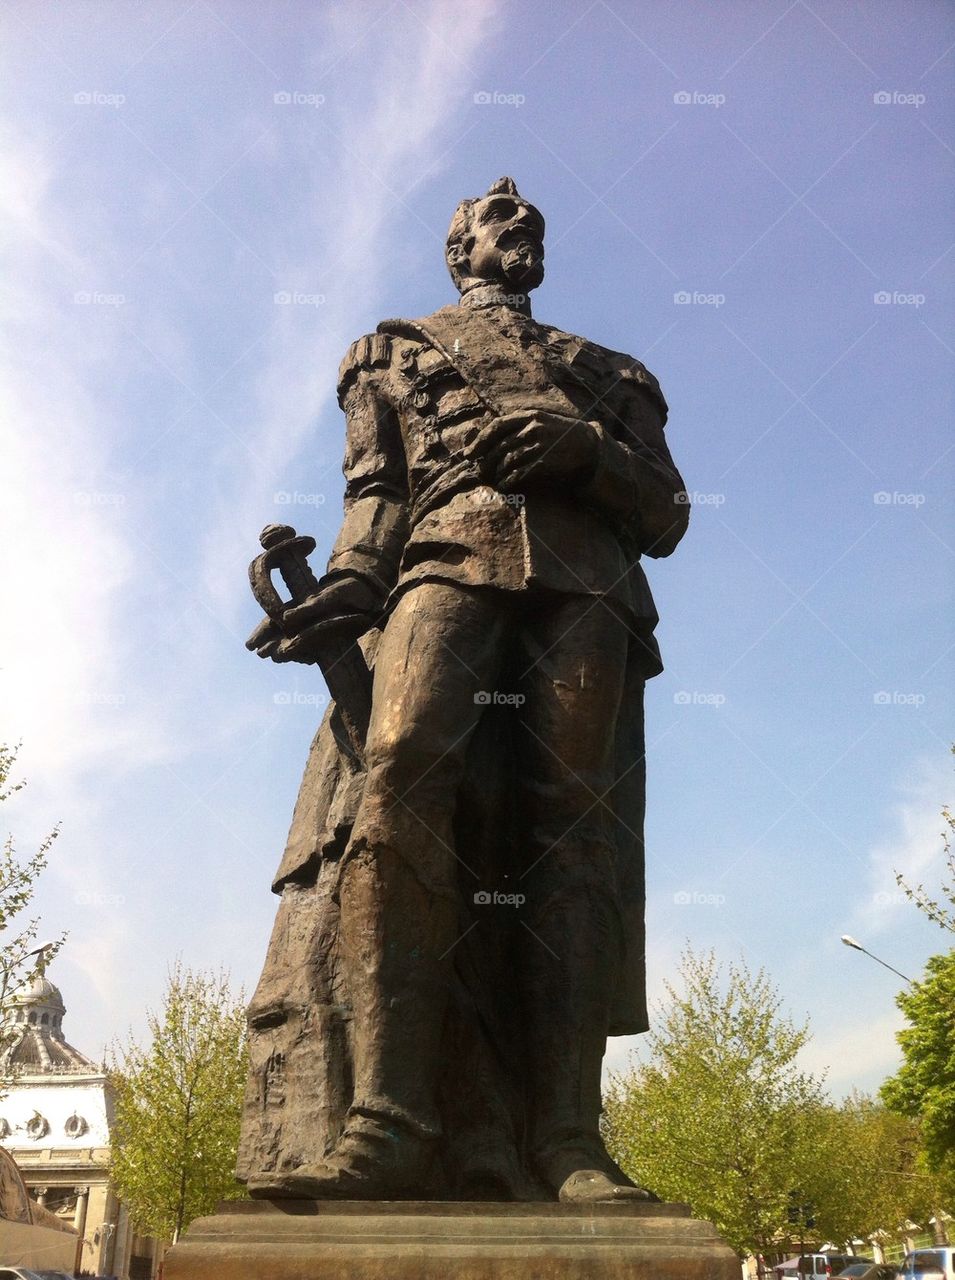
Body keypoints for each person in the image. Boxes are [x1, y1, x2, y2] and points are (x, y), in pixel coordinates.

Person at [241, 177, 689, 1203]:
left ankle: (569, 1138)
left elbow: (666, 511)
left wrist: (588, 453)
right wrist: (346, 589)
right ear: (460, 251)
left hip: (588, 587)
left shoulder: (614, 371)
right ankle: (387, 1121)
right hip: (442, 564)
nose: (520, 226)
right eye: (498, 220)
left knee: (572, 827)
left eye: (531, 223)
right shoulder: (390, 350)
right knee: (398, 776)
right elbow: (375, 496)